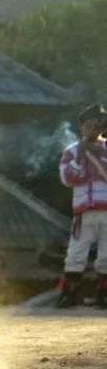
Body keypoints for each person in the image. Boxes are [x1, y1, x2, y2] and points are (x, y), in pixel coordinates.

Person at [57, 102, 107, 308]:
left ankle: (103, 297)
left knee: (106, 256)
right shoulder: (72, 151)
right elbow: (67, 178)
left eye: (95, 126)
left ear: (102, 128)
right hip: (83, 213)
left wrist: (97, 155)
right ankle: (69, 296)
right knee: (75, 255)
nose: (90, 130)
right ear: (82, 127)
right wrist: (81, 156)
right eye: (86, 126)